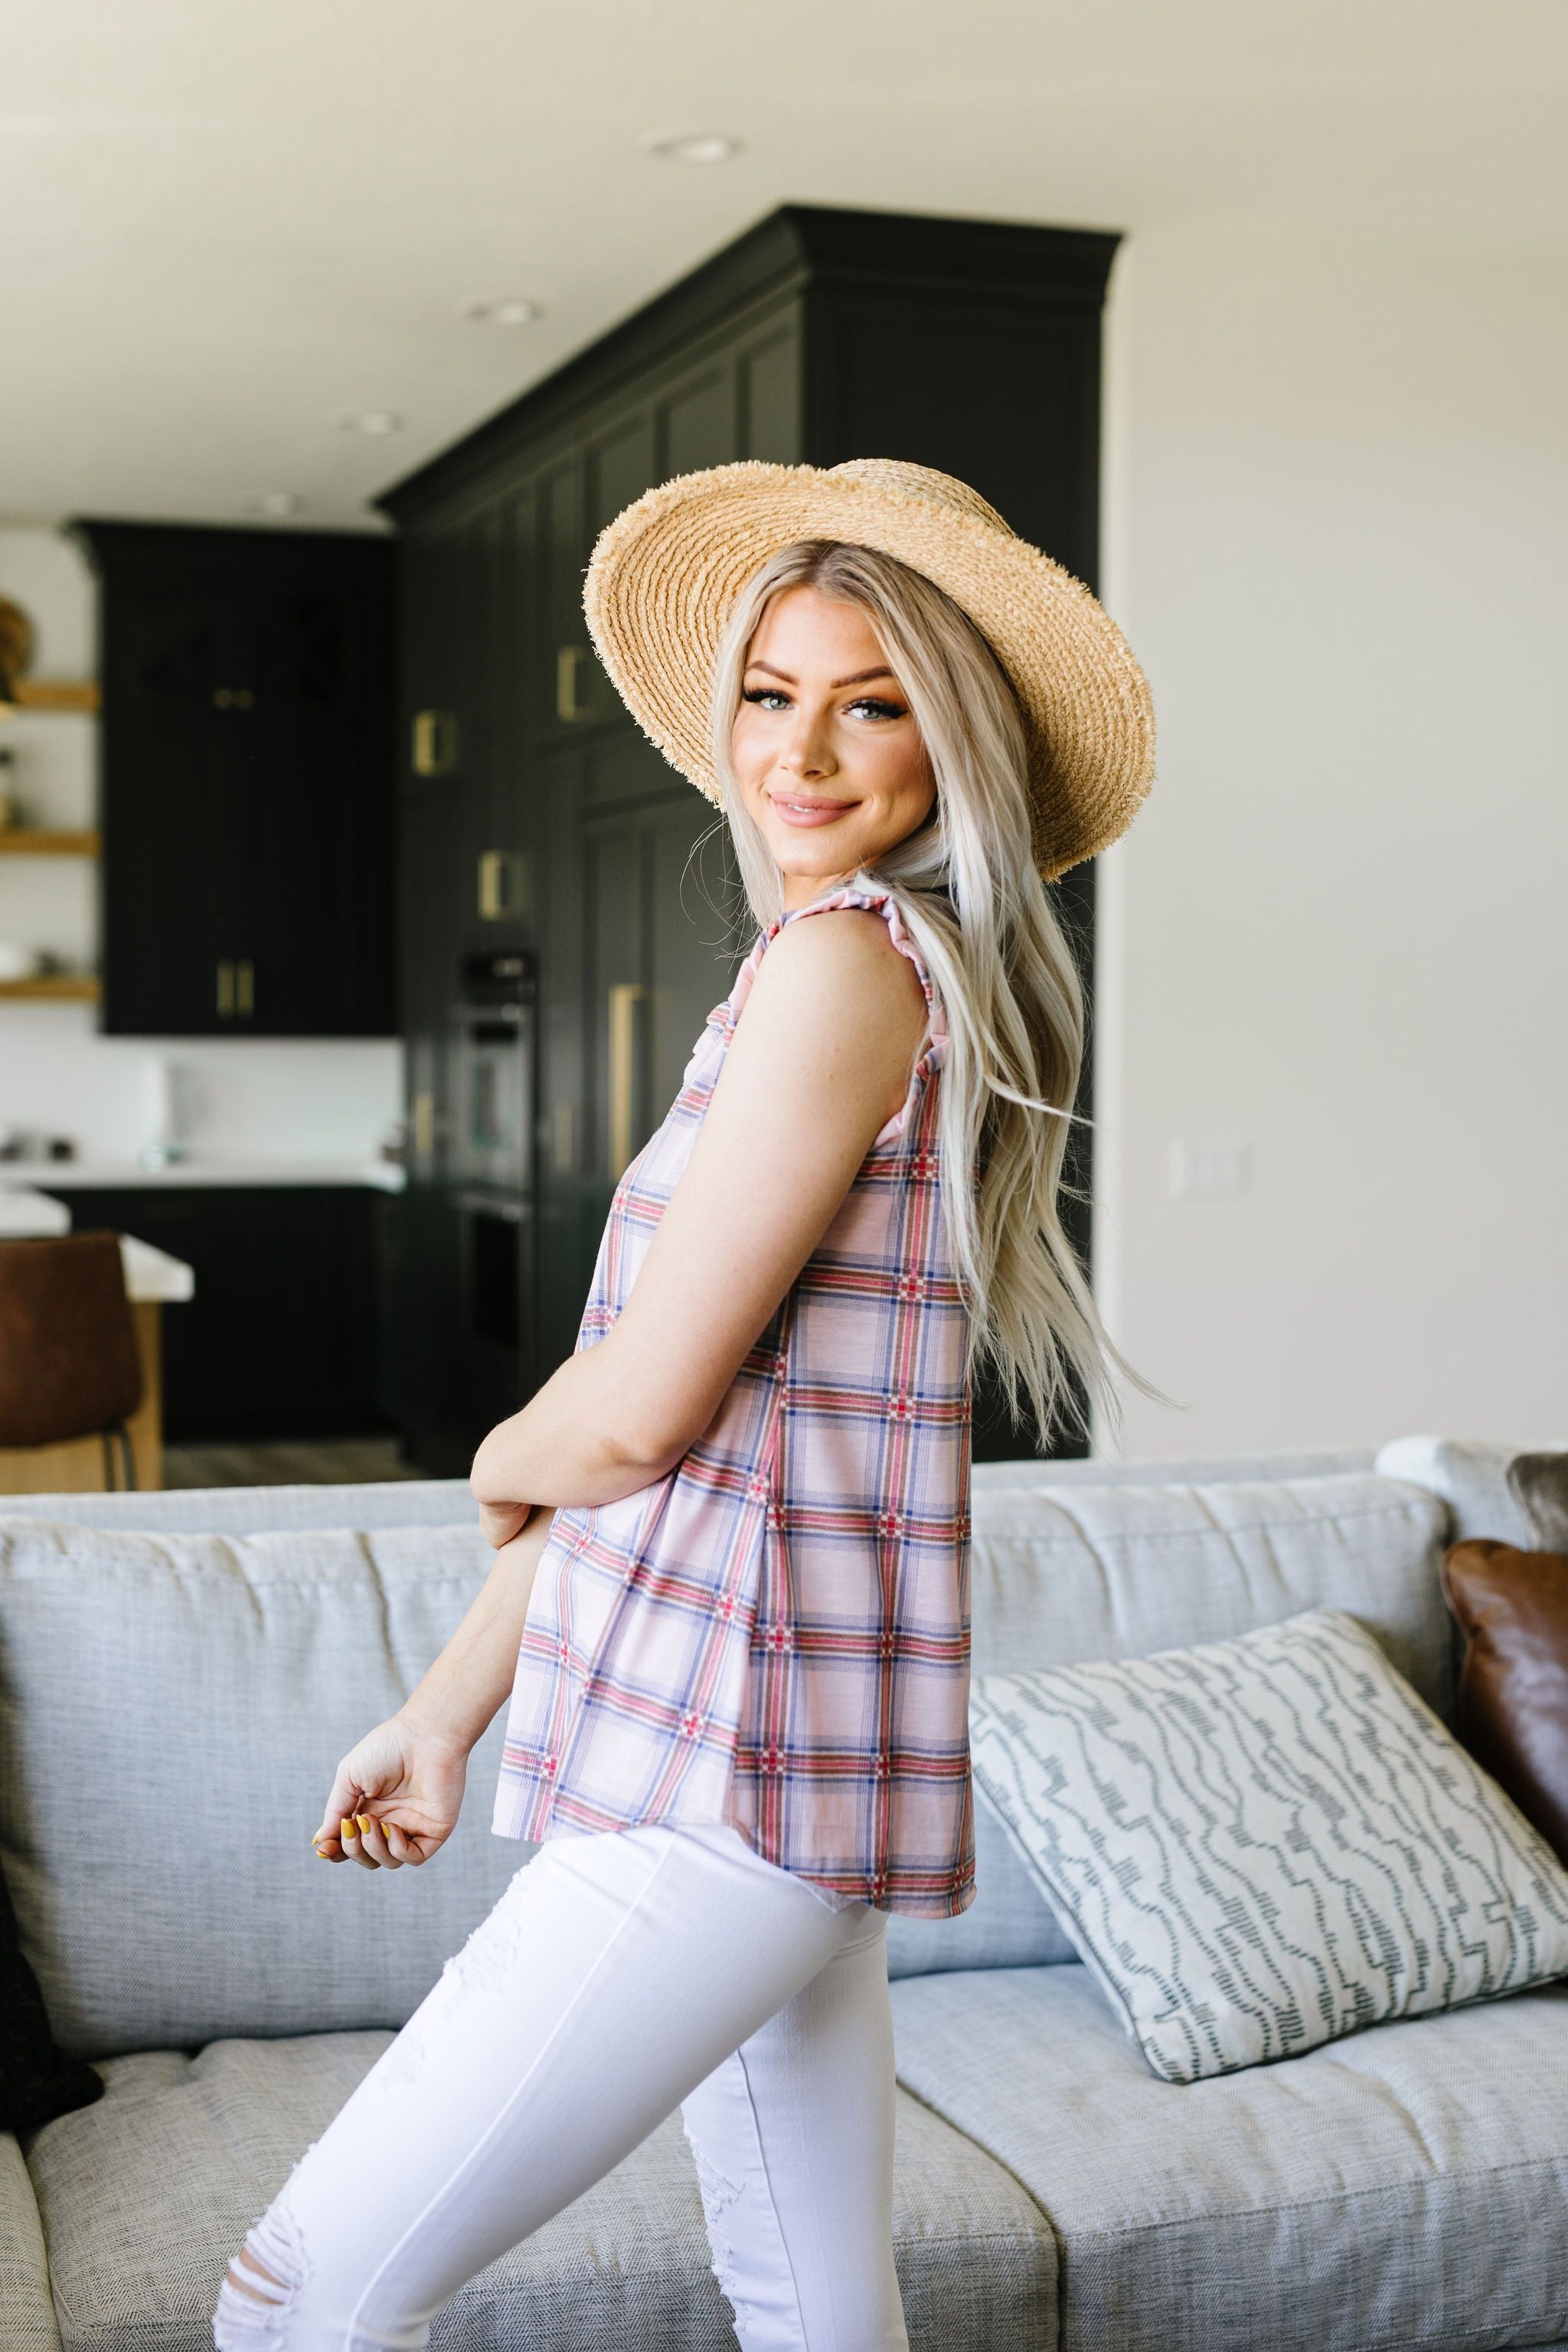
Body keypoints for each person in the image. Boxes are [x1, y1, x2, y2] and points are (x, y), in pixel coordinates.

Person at [212, 458, 1160, 2352]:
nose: (804, 750)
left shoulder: (843, 965)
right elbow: (675, 1436)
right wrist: (441, 1708)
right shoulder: (845, 976)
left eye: (873, 701)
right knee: (813, 2311)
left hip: (718, 1786)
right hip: (758, 1761)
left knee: (292, 2300)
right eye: (770, 693)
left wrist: (496, 1448)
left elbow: (626, 1422)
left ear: (949, 738)